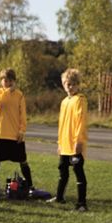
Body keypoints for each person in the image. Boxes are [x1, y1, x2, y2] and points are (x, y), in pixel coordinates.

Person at [0, 68, 36, 192]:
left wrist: (22, 130)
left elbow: (22, 114)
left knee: (23, 162)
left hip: (15, 135)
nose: (6, 83)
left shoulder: (19, 95)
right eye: (4, 80)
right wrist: (8, 91)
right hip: (1, 133)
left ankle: (30, 186)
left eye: (9, 81)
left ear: (13, 81)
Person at [47, 68, 89, 211]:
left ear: (77, 85)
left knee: (78, 172)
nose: (69, 87)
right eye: (66, 84)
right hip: (64, 144)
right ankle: (59, 197)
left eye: (72, 84)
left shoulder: (80, 100)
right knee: (63, 171)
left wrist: (79, 141)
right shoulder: (64, 101)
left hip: (75, 144)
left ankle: (82, 203)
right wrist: (59, 142)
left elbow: (81, 122)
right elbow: (61, 124)